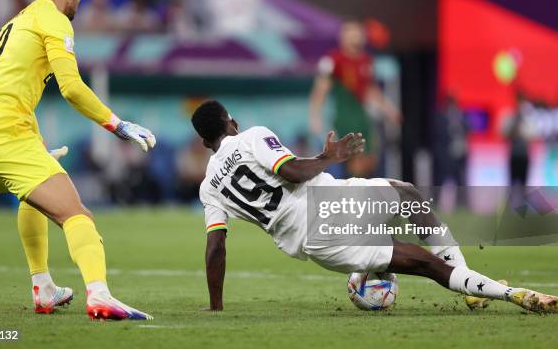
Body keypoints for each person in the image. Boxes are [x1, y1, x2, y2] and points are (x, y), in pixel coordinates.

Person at [191, 100, 558, 313]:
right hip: (327, 204)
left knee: (418, 241)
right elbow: (291, 170)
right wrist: (326, 156)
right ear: (231, 122)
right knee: (413, 208)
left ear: (206, 141)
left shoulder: (209, 188)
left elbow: (215, 249)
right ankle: (505, 293)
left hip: (317, 237)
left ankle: (478, 286)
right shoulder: (252, 136)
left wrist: (216, 307)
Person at [0, 0, 154, 321]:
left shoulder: (16, 21)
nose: (80, 2)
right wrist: (118, 124)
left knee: (31, 193)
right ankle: (100, 295)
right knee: (78, 215)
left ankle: (43, 287)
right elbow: (72, 88)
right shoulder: (55, 19)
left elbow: (5, 87)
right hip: (1, 136)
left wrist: (34, 140)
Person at [309, 20, 401, 178]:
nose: (355, 36)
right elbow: (320, 90)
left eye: (357, 32)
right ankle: (349, 196)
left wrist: (389, 109)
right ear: (342, 37)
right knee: (355, 163)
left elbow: (372, 90)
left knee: (371, 160)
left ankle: (355, 193)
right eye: (350, 32)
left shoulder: (366, 60)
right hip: (345, 118)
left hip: (363, 118)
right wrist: (315, 117)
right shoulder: (334, 59)